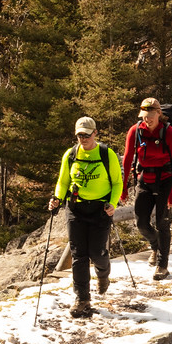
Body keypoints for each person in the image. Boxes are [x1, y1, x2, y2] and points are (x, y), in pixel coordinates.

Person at [47, 115, 124, 318]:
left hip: (100, 210)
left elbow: (117, 183)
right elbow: (63, 182)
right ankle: (82, 298)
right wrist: (56, 198)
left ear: (95, 133)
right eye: (79, 135)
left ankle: (103, 274)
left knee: (98, 253)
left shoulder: (107, 154)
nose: (83, 139)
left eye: (86, 135)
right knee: (79, 255)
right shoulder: (70, 155)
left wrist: (113, 204)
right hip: (76, 209)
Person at [122, 98, 172, 281]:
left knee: (162, 223)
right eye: (144, 116)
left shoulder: (168, 132)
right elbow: (127, 159)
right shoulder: (135, 131)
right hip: (145, 180)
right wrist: (123, 189)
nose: (147, 120)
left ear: (158, 114)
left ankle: (162, 266)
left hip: (165, 180)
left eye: (150, 116)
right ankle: (155, 245)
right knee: (141, 222)